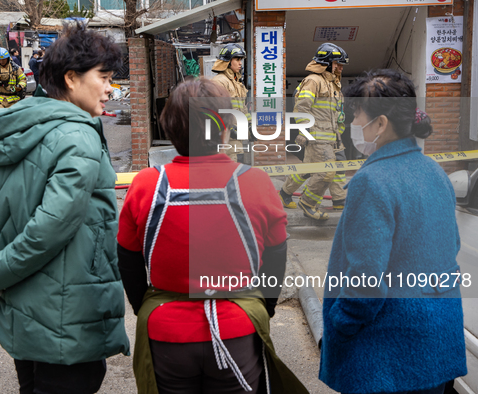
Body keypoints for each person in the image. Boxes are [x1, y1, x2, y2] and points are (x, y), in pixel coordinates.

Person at [0, 25, 130, 394]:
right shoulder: (79, 136)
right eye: (105, 78)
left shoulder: (10, 128)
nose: (112, 88)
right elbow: (51, 227)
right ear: (71, 78)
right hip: (68, 318)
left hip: (20, 313)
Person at [117, 78, 308, 394]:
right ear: (224, 129)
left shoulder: (146, 184)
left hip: (166, 334)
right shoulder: (256, 182)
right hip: (237, 330)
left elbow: (129, 258)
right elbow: (275, 258)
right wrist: (263, 308)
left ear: (169, 130)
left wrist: (148, 307)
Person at [319, 69, 467, 394]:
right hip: (439, 340)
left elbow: (365, 280)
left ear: (381, 123)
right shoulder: (435, 171)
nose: (352, 125)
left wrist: (339, 324)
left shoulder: (371, 181)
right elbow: (450, 246)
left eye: (356, 115)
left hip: (389, 352)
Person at [279, 43, 348, 219]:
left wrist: (338, 133)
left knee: (308, 169)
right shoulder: (313, 81)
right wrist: (306, 131)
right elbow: (301, 108)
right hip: (317, 137)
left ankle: (285, 194)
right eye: (337, 63)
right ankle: (308, 203)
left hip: (331, 138)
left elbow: (334, 113)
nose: (341, 67)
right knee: (326, 172)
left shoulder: (333, 84)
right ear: (326, 62)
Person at [212, 43, 249, 162]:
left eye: (241, 60)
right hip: (225, 138)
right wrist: (227, 127)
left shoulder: (236, 82)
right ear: (227, 61)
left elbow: (242, 108)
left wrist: (250, 125)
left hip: (237, 137)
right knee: (229, 174)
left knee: (237, 171)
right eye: (237, 59)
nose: (240, 63)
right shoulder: (219, 82)